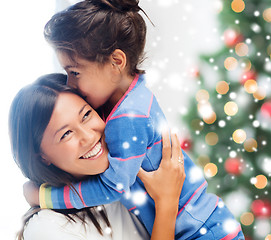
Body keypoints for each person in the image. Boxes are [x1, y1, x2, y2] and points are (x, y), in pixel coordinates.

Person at [25, 0, 245, 239]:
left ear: (116, 62)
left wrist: (44, 196)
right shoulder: (135, 95)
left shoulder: (127, 118)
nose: (70, 83)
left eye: (75, 72)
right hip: (205, 222)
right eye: (66, 133)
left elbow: (112, 187)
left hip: (202, 232)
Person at [9, 73, 185, 240]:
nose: (88, 137)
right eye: (66, 134)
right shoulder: (46, 228)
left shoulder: (125, 173)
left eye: (86, 115)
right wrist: (167, 203)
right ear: (42, 158)